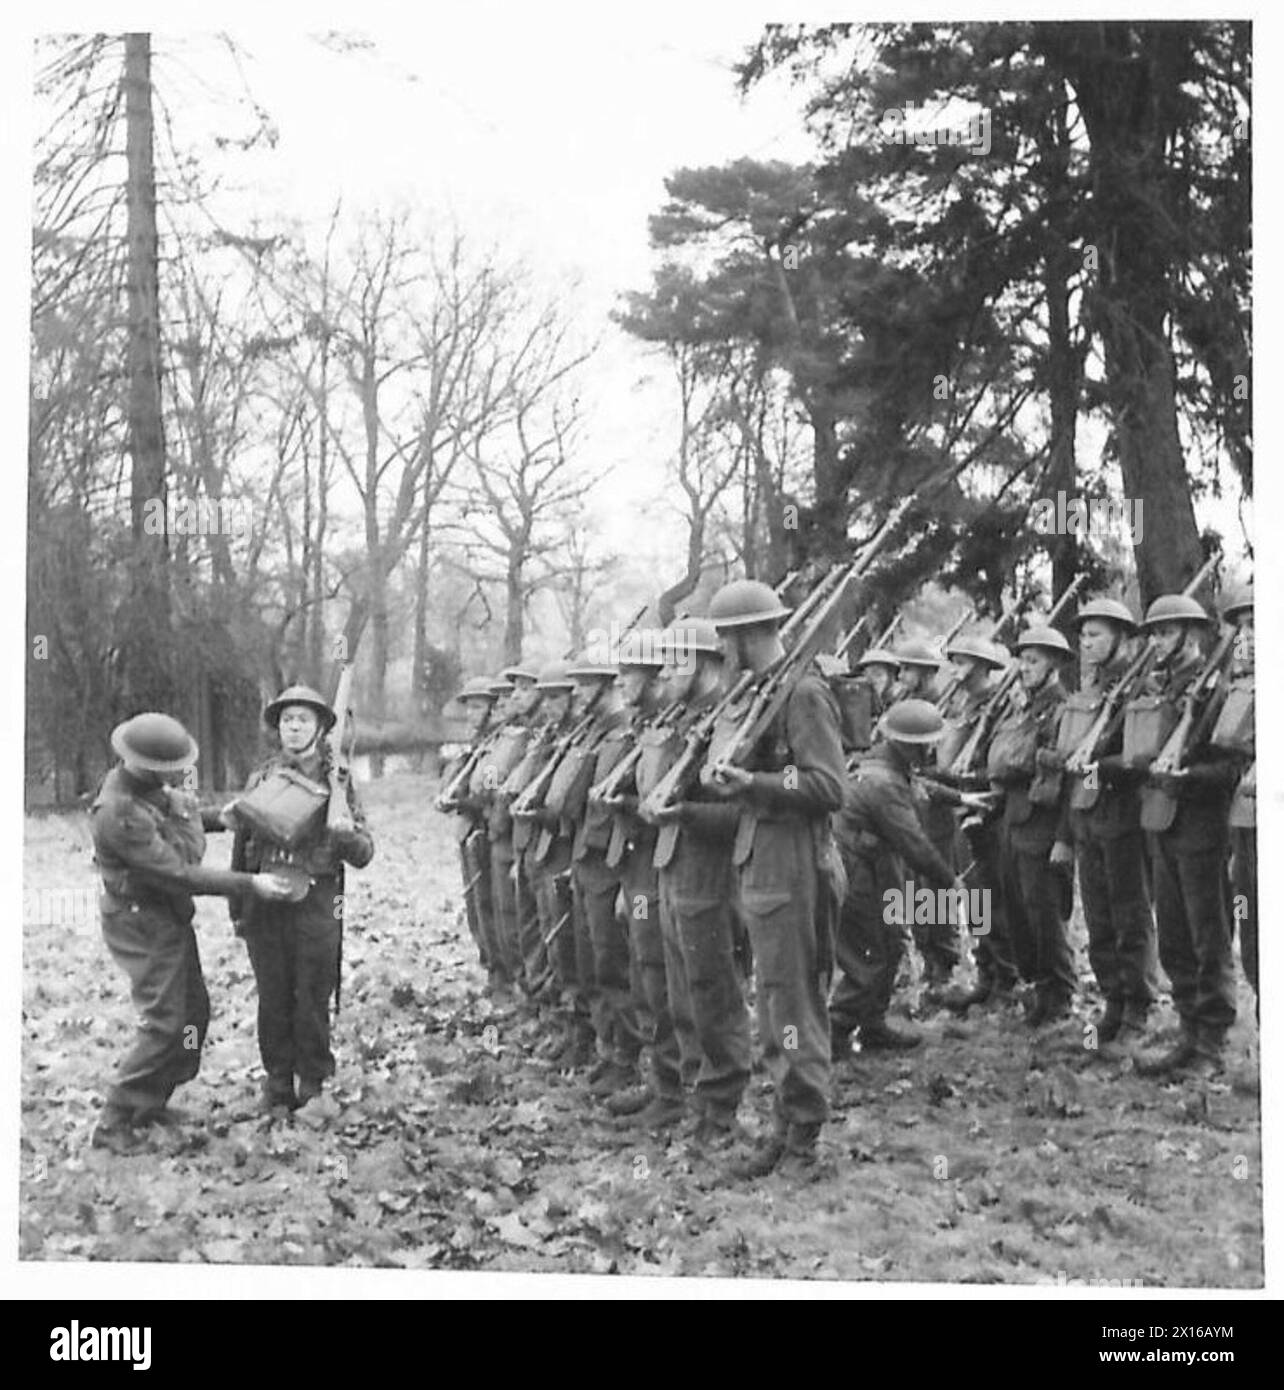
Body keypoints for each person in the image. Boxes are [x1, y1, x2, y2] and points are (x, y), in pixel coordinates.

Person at [89, 712, 296, 1151]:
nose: (177, 775)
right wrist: (250, 884)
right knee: (166, 1023)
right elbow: (179, 873)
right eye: (170, 768)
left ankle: (151, 1100)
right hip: (140, 921)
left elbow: (170, 814)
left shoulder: (140, 785)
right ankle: (115, 1119)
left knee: (193, 1015)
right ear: (145, 764)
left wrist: (220, 818)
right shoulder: (118, 812)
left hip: (166, 915)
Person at [700, 579, 846, 1178]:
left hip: (795, 865)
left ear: (745, 636)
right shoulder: (763, 692)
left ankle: (805, 1137)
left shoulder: (803, 693)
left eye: (725, 638)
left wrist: (757, 783)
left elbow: (828, 785)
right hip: (764, 863)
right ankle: (785, 1126)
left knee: (792, 1005)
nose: (721, 651)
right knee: (773, 1004)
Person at [230, 685, 374, 1111]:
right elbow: (242, 843)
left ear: (320, 728)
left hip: (317, 898)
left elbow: (364, 853)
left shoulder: (338, 780)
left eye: (303, 720)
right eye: (287, 720)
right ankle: (277, 1083)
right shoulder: (262, 778)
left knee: (312, 994)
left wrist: (343, 835)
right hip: (265, 897)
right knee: (272, 996)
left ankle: (312, 1082)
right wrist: (239, 906)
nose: (293, 727)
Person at [639, 617, 750, 1149]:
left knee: (713, 991)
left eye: (675, 661)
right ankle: (693, 1095)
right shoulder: (682, 719)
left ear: (705, 663)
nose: (665, 672)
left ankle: (722, 1105)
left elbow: (741, 813)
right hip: (672, 865)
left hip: (708, 870)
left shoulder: (732, 721)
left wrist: (683, 813)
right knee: (681, 991)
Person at [1130, 595, 1238, 1078]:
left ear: (1191, 635)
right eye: (1155, 633)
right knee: (1173, 935)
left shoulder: (1217, 689)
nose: (1158, 642)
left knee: (1207, 935)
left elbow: (1231, 767)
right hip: (1160, 820)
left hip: (1201, 827)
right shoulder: (1161, 686)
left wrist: (1187, 777)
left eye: (1167, 633)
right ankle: (1188, 1031)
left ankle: (1211, 1044)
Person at [831, 700, 962, 1057]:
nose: (932, 750)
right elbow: (915, 845)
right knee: (868, 954)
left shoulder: (879, 762)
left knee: (890, 943)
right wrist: (950, 882)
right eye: (927, 744)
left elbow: (917, 786)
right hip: (860, 873)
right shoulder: (884, 784)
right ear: (911, 746)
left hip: (872, 867)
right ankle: (836, 1031)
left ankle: (872, 1024)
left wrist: (960, 797)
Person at [1055, 599, 1158, 1048]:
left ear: (1122, 638)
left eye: (1096, 634)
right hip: (1089, 817)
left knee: (1129, 914)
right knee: (1098, 918)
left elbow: (1141, 760)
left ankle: (1138, 1007)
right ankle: (1113, 1003)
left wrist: (1098, 764)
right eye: (1083, 635)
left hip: (1123, 816)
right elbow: (1073, 767)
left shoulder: (1141, 686)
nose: (1086, 643)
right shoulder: (1090, 691)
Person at [988, 626, 1076, 1026]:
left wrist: (1064, 838)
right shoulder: (1023, 708)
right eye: (1021, 660)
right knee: (1020, 914)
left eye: (1033, 660)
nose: (1023, 668)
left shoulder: (1063, 710)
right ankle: (1040, 990)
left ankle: (1060, 996)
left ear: (1054, 664)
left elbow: (1071, 780)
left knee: (1045, 915)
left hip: (1043, 828)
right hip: (1014, 822)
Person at [935, 635, 1020, 1011]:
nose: (955, 669)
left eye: (962, 662)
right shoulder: (962, 704)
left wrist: (976, 780)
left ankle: (1006, 978)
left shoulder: (1002, 704)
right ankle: (987, 973)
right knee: (976, 899)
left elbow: (1005, 758)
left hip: (990, 811)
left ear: (981, 666)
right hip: (962, 805)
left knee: (994, 898)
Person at [439, 676, 503, 978]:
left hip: (486, 832)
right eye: (469, 707)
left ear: (492, 708)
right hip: (469, 830)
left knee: (491, 905)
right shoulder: (476, 744)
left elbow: (490, 790)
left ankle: (500, 971)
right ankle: (490, 964)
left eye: (478, 707)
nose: (471, 714)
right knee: (475, 904)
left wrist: (461, 801)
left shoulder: (499, 745)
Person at [1216, 587, 1256, 1012]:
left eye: (1255, 625)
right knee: (1251, 928)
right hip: (1243, 826)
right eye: (1241, 627)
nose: (1245, 637)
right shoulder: (1237, 693)